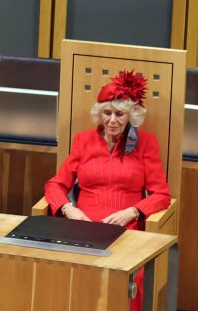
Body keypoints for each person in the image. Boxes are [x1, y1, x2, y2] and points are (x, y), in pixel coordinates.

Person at [44, 70, 170, 227]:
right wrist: (68, 208)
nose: (112, 120)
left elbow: (162, 195)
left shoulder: (146, 142)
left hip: (127, 228)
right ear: (100, 114)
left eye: (119, 114)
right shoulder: (83, 140)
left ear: (130, 116)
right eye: (107, 113)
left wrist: (132, 212)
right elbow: (55, 185)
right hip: (84, 226)